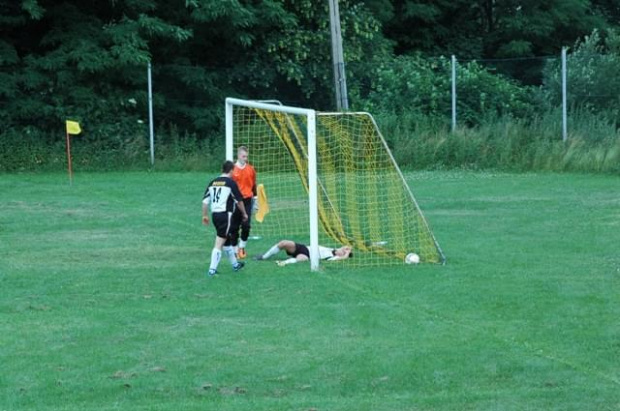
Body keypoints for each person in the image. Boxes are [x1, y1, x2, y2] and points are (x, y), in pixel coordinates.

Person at [202, 160, 248, 276]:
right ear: (231, 170)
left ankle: (235, 265)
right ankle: (212, 270)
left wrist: (205, 215)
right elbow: (239, 201)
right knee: (219, 243)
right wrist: (244, 213)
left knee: (227, 240)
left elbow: (205, 201)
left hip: (215, 216)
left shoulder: (213, 182)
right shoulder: (230, 183)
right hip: (225, 215)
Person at [230, 146, 257, 259]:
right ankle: (235, 250)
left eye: (246, 156)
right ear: (238, 156)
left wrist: (255, 199)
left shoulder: (251, 169)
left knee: (246, 225)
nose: (245, 159)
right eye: (243, 156)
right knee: (234, 227)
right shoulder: (232, 170)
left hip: (247, 201)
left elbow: (254, 185)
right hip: (235, 201)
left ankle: (242, 247)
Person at [254, 240, 353, 266]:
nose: (343, 250)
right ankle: (263, 257)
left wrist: (346, 254)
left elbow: (343, 258)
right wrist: (347, 248)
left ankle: (284, 262)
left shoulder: (332, 257)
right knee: (283, 243)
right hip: (304, 248)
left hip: (307, 255)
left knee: (302, 259)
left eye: (344, 252)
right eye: (344, 249)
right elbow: (345, 246)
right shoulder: (333, 249)